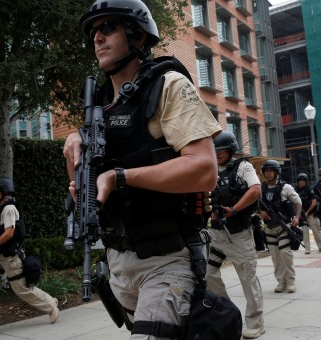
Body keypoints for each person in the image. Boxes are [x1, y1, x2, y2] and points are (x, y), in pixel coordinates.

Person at [62, 0, 221, 337]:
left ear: (136, 36)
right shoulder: (100, 104)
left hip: (167, 259)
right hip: (120, 262)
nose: (97, 38)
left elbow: (205, 170)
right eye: (93, 31)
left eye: (108, 28)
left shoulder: (168, 85)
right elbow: (86, 194)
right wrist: (75, 155)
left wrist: (120, 177)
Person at [0, 177, 59, 338]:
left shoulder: (9, 208)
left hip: (9, 257)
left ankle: (50, 304)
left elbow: (9, 233)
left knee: (21, 289)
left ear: (4, 191)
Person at [208, 131, 265, 339]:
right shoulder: (211, 169)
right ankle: (227, 313)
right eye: (214, 151)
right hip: (216, 233)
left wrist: (234, 209)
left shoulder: (243, 166)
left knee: (247, 278)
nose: (217, 154)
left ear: (231, 150)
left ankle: (256, 322)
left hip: (239, 234)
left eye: (220, 150)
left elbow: (256, 190)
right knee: (207, 272)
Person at [258, 160, 301, 294]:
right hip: (269, 228)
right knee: (275, 256)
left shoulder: (286, 187)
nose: (269, 173)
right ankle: (281, 282)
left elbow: (298, 202)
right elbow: (254, 204)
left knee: (285, 253)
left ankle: (291, 281)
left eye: (271, 171)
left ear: (277, 172)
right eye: (266, 171)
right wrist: (260, 212)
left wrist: (297, 217)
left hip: (283, 226)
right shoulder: (261, 188)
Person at [294, 173, 321, 254]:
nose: (301, 182)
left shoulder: (309, 189)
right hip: (301, 214)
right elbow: (294, 202)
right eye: (300, 180)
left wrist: (307, 212)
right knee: (305, 232)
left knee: (315, 230)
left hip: (310, 213)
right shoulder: (296, 190)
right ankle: (307, 248)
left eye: (303, 180)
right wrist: (297, 214)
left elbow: (314, 202)